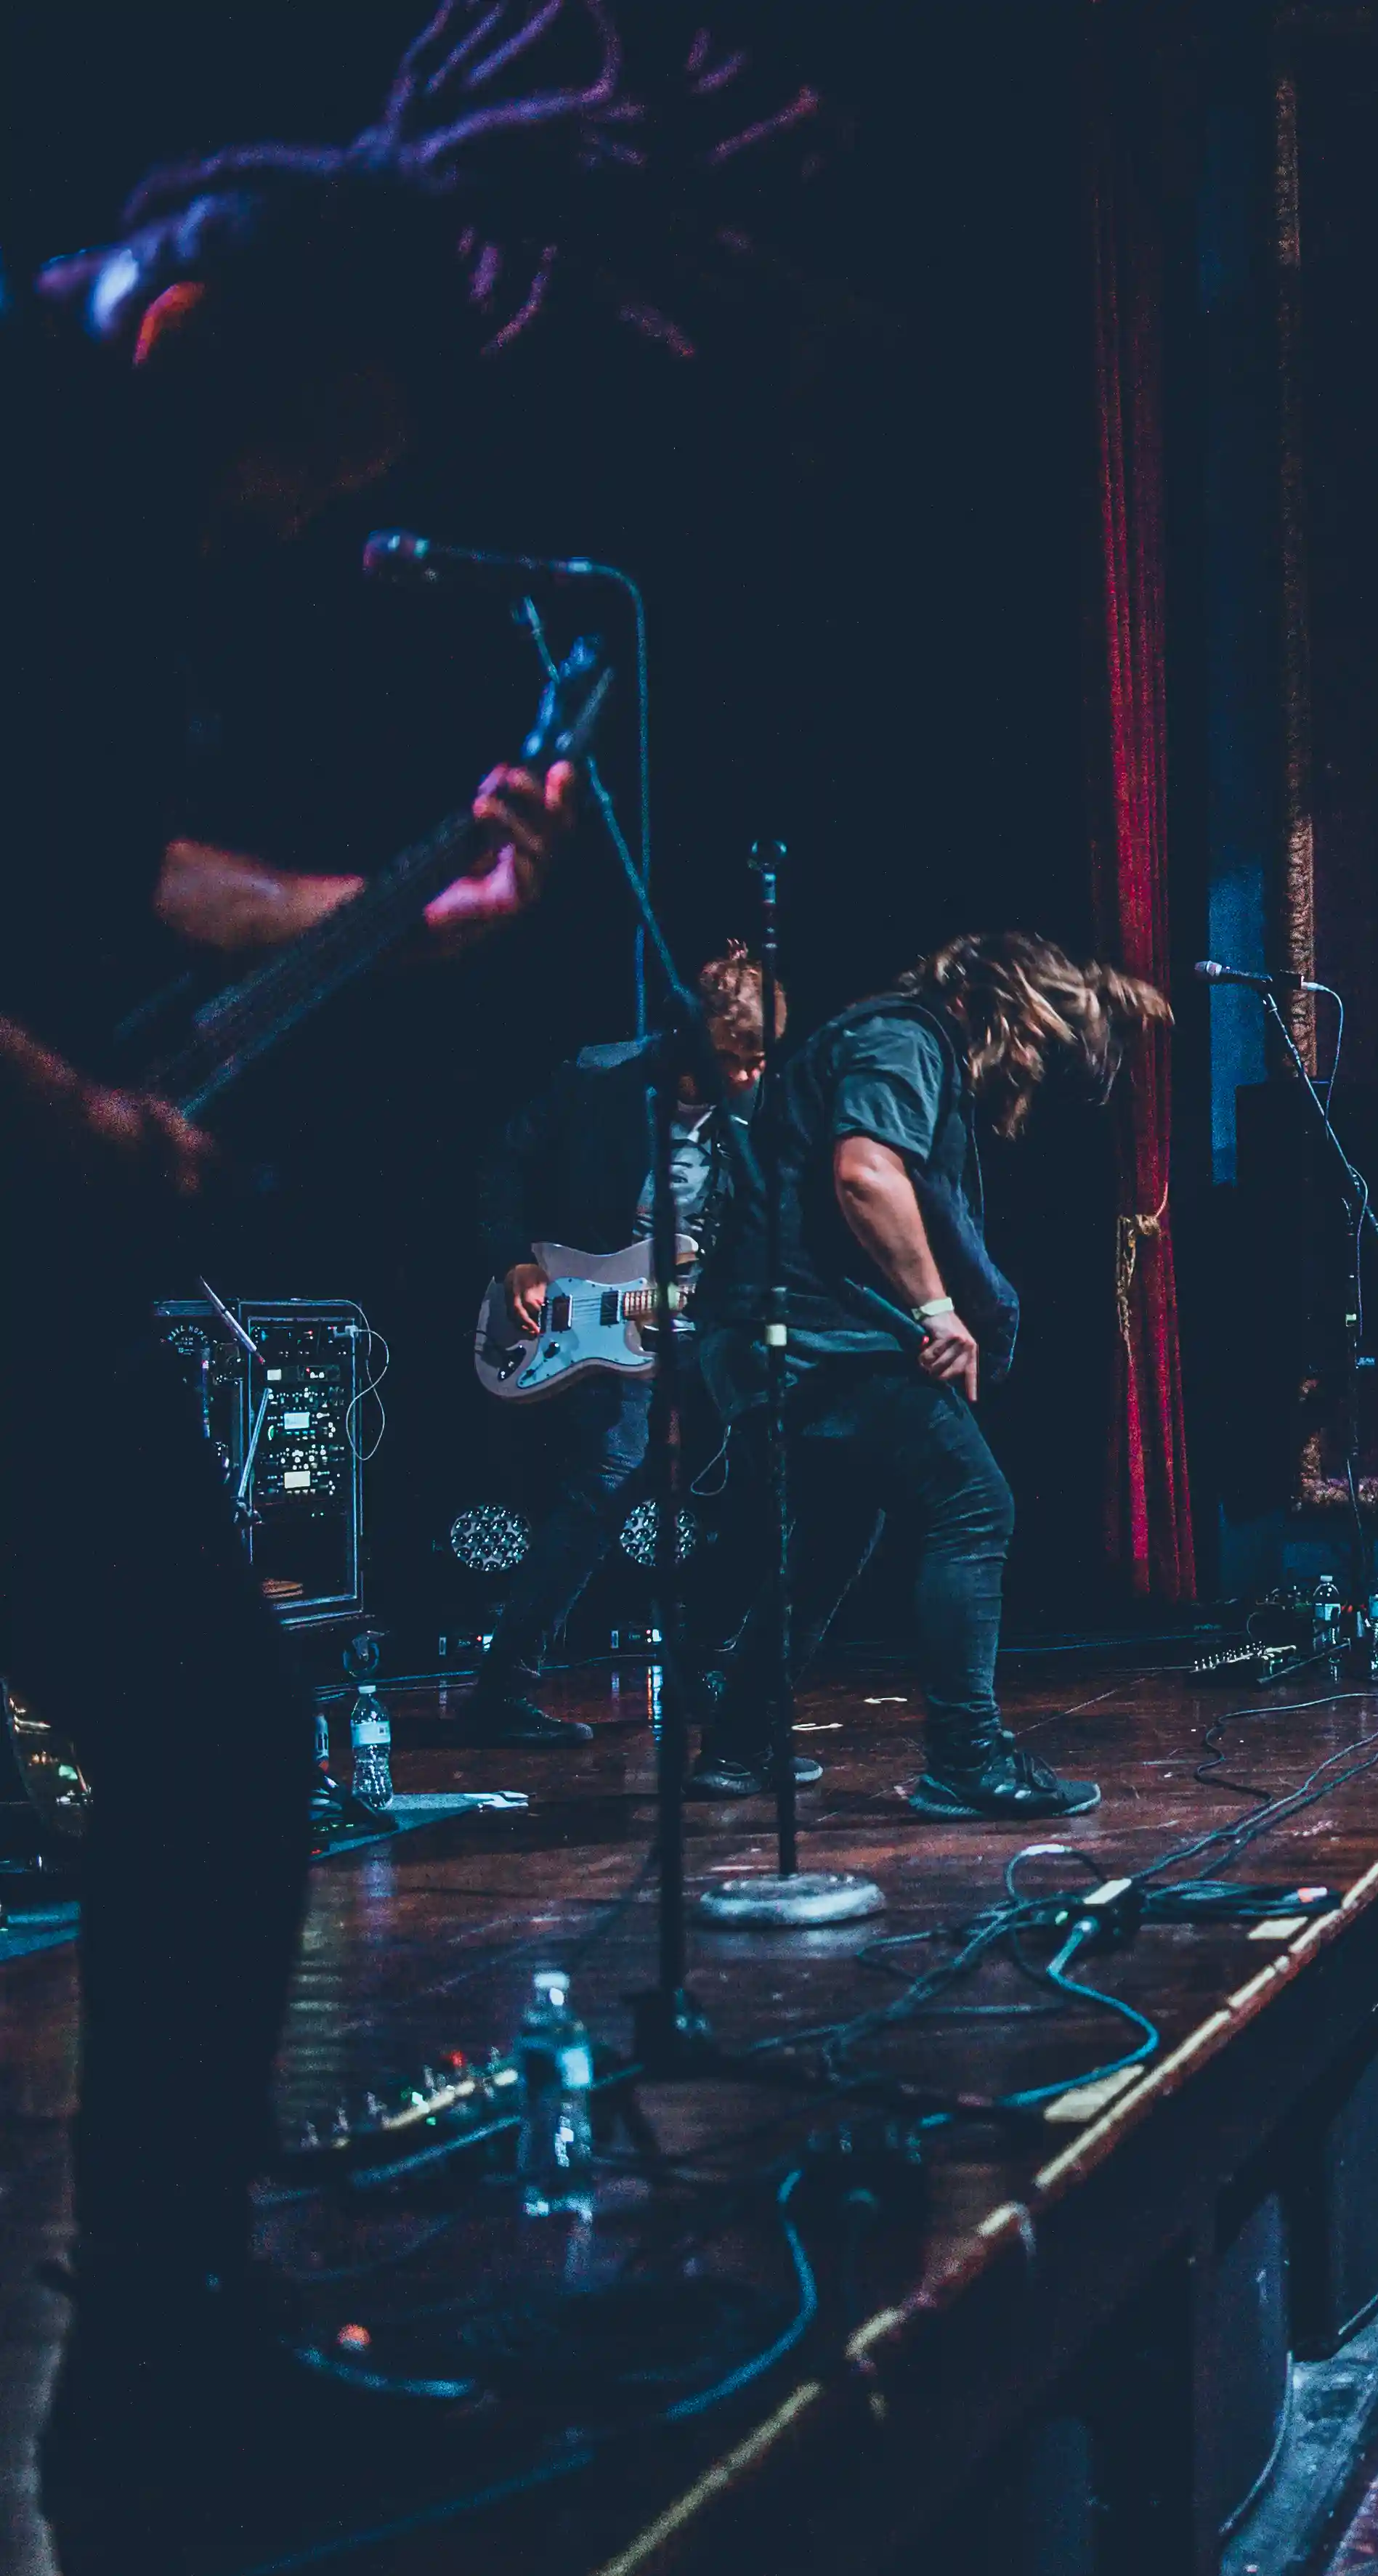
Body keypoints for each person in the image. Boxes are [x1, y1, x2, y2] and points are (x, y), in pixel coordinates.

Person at [0, 9, 808, 2553]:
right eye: (281, 485)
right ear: (188, 338)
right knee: (213, 1731)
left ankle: (159, 2387)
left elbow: (100, 878)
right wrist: (85, 1123)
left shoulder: (110, 494)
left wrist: (394, 916)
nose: (277, 538)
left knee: (217, 1736)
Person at [687, 931, 1168, 1818]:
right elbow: (866, 1174)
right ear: (1009, 1006)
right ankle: (965, 1758)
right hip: (803, 1335)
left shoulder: (894, 1042)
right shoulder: (903, 1037)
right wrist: (936, 1309)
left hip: (765, 1334)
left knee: (831, 1536)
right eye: (1035, 1041)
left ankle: (737, 1743)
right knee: (974, 1504)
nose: (1027, 1065)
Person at [457, 941, 779, 1747]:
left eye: (758, 1060)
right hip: (592, 1307)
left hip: (697, 1313)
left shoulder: (755, 1114)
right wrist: (516, 1261)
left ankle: (707, 1665)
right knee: (609, 1479)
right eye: (732, 1059)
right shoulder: (599, 1078)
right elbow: (501, 1162)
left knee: (770, 1464)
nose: (746, 1076)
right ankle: (504, 1686)